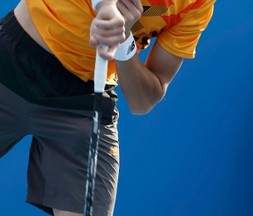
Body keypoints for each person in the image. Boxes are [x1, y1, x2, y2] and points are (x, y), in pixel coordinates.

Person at [0, 0, 216, 215]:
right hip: (12, 61)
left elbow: (142, 101)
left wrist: (123, 42)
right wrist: (106, 7)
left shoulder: (197, 5)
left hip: (85, 100)